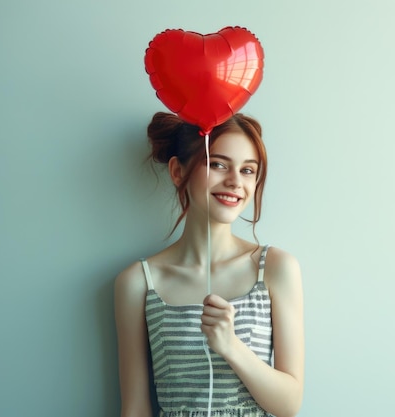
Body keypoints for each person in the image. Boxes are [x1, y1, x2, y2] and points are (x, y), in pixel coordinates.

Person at [114, 112, 305, 417]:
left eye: (247, 170)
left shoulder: (275, 268)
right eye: (218, 164)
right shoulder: (138, 282)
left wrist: (231, 345)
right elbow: (135, 408)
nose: (234, 181)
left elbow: (289, 405)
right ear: (178, 171)